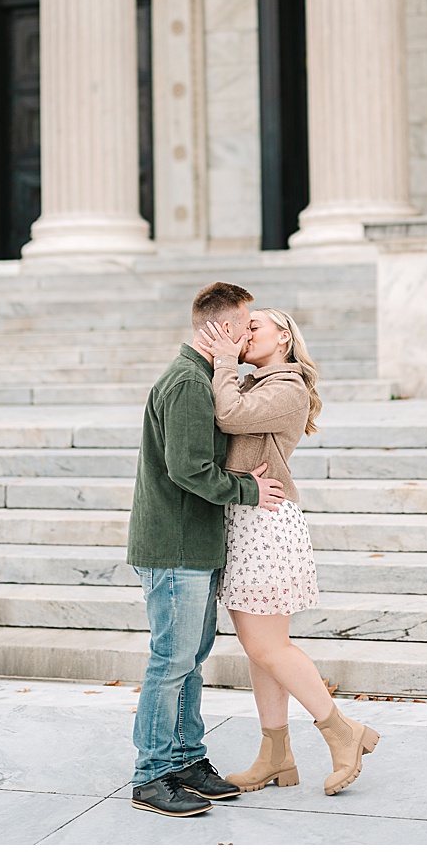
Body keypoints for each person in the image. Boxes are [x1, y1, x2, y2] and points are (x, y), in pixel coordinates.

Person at [199, 307, 380, 796]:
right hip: (246, 520)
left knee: (267, 646)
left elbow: (228, 414)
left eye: (254, 325)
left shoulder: (287, 387)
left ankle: (343, 733)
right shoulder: (262, 383)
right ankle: (276, 755)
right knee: (260, 653)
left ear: (284, 337)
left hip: (266, 526)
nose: (242, 332)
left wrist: (222, 362)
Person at [126, 281, 287, 817]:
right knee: (170, 662)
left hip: (195, 544)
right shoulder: (188, 384)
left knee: (190, 662)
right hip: (174, 545)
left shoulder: (202, 379)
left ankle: (186, 761)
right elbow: (188, 469)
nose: (247, 337)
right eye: (244, 326)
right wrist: (251, 492)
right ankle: (151, 776)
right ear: (217, 328)